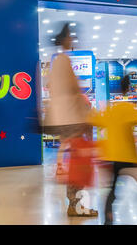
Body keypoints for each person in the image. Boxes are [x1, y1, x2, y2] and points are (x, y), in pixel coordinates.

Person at [43, 23, 98, 217]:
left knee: (75, 159)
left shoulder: (56, 62)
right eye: (70, 37)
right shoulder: (64, 60)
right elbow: (74, 90)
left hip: (61, 119)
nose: (72, 40)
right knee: (79, 161)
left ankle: (74, 203)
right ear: (65, 40)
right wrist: (86, 117)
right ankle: (76, 205)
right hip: (71, 119)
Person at [89, 75, 137, 224]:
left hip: (112, 156)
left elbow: (95, 121)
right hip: (129, 157)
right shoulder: (129, 107)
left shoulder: (111, 109)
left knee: (112, 189)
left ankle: (108, 219)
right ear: (129, 88)